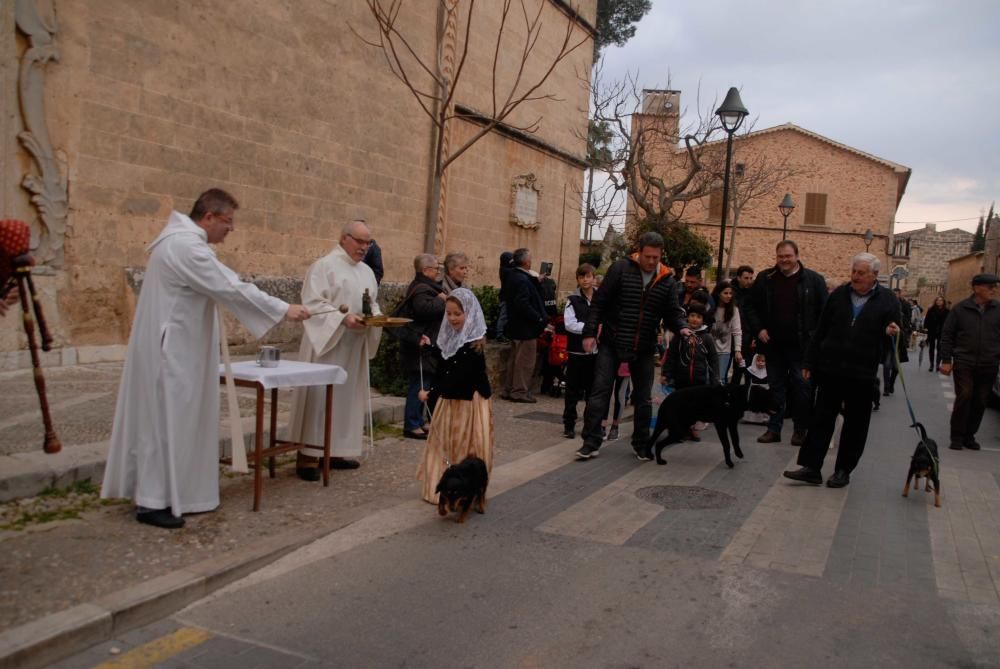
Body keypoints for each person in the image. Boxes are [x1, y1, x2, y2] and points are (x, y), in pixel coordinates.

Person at [101, 189, 310, 529]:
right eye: (227, 222)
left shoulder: (179, 242)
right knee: (165, 423)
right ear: (209, 217)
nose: (230, 230)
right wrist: (284, 308)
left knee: (177, 423)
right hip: (173, 354)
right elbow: (230, 287)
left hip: (180, 351)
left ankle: (179, 493)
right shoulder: (186, 246)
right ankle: (152, 501)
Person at [783, 253, 900, 488]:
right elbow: (821, 329)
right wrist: (809, 362)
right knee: (821, 417)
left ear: (874, 275)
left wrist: (891, 333)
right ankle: (811, 467)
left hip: (862, 372)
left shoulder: (887, 300)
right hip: (831, 368)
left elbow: (895, 336)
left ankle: (843, 470)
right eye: (854, 271)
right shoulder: (839, 295)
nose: (855, 276)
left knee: (856, 424)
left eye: (861, 273)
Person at [576, 231, 689, 461]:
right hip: (612, 340)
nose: (650, 262)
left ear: (660, 255)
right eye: (647, 256)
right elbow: (600, 302)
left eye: (655, 257)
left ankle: (641, 444)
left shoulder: (667, 280)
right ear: (639, 252)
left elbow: (672, 313)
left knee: (643, 397)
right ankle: (591, 441)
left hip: (644, 345)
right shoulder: (620, 269)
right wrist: (589, 333)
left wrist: (682, 328)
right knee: (600, 392)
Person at [286, 220, 383, 480]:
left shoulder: (367, 272)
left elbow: (371, 303)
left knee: (346, 399)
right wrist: (343, 319)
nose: (364, 247)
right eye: (360, 241)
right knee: (319, 398)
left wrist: (375, 317)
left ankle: (335, 450)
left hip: (353, 347)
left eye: (368, 242)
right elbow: (312, 304)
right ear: (344, 239)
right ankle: (307, 456)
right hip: (327, 345)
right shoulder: (324, 266)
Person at [742, 240, 827, 446]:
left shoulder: (814, 281)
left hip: (802, 348)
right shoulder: (765, 278)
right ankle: (774, 428)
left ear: (797, 256)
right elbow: (749, 306)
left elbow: (824, 314)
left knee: (802, 388)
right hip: (774, 346)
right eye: (780, 256)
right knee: (776, 388)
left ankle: (800, 429)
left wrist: (816, 341)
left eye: (788, 256)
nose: (784, 260)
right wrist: (759, 329)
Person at [416, 288, 494, 503]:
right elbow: (446, 362)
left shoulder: (473, 345)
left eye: (457, 314)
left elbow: (456, 374)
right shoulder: (453, 339)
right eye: (449, 314)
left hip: (468, 403)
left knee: (467, 445)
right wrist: (431, 348)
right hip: (450, 399)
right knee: (444, 443)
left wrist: (430, 393)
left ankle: (466, 489)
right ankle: (439, 485)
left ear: (469, 314)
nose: (452, 318)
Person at [938, 274, 1000, 451]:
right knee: (965, 395)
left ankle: (969, 435)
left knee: (980, 400)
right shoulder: (960, 309)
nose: (993, 290)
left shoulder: (998, 309)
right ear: (977, 288)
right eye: (990, 287)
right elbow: (947, 335)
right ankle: (957, 436)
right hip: (964, 361)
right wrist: (946, 360)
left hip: (989, 363)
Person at [396, 253, 446, 440]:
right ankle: (411, 424)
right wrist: (442, 300)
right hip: (419, 345)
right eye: (436, 268)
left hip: (426, 344)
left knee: (424, 383)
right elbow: (423, 310)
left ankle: (418, 419)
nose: (438, 271)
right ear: (425, 270)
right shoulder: (422, 288)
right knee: (418, 385)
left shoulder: (426, 287)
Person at [500, 248, 547, 403]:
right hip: (525, 327)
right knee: (525, 362)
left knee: (514, 359)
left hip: (515, 325)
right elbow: (523, 303)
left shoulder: (512, 276)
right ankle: (519, 391)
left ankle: (508, 389)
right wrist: (538, 318)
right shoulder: (522, 279)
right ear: (526, 261)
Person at [562, 264, 597, 438]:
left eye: (588, 276)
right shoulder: (573, 300)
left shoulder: (600, 299)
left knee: (592, 391)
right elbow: (570, 324)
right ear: (577, 279)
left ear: (594, 278)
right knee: (572, 391)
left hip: (595, 353)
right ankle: (569, 424)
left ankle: (589, 425)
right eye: (581, 277)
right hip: (576, 351)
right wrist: (591, 329)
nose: (585, 280)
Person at [709, 279, 743, 382]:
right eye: (725, 293)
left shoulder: (734, 310)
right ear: (718, 293)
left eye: (730, 293)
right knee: (707, 378)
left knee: (720, 379)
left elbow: (737, 331)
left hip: (724, 351)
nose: (729, 296)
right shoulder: (710, 307)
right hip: (709, 349)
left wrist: (738, 350)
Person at [881, 287, 912, 396]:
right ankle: (886, 387)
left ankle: (892, 382)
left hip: (899, 339)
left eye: (896, 294)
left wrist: (901, 329)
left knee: (896, 366)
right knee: (887, 364)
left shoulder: (904, 307)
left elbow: (907, 323)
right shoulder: (885, 307)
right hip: (887, 339)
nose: (894, 296)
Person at [731, 265, 755, 385]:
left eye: (751, 278)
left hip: (747, 337)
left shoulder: (752, 293)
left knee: (745, 369)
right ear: (739, 277)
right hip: (731, 335)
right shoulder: (731, 292)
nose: (749, 281)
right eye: (746, 278)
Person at [923, 295, 949, 372]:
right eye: (938, 300)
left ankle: (938, 364)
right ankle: (931, 365)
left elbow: (949, 322)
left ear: (943, 302)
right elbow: (927, 319)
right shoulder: (931, 310)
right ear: (935, 301)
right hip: (932, 331)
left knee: (940, 348)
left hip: (942, 332)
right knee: (931, 348)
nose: (939, 302)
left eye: (941, 300)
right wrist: (925, 328)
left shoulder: (947, 311)